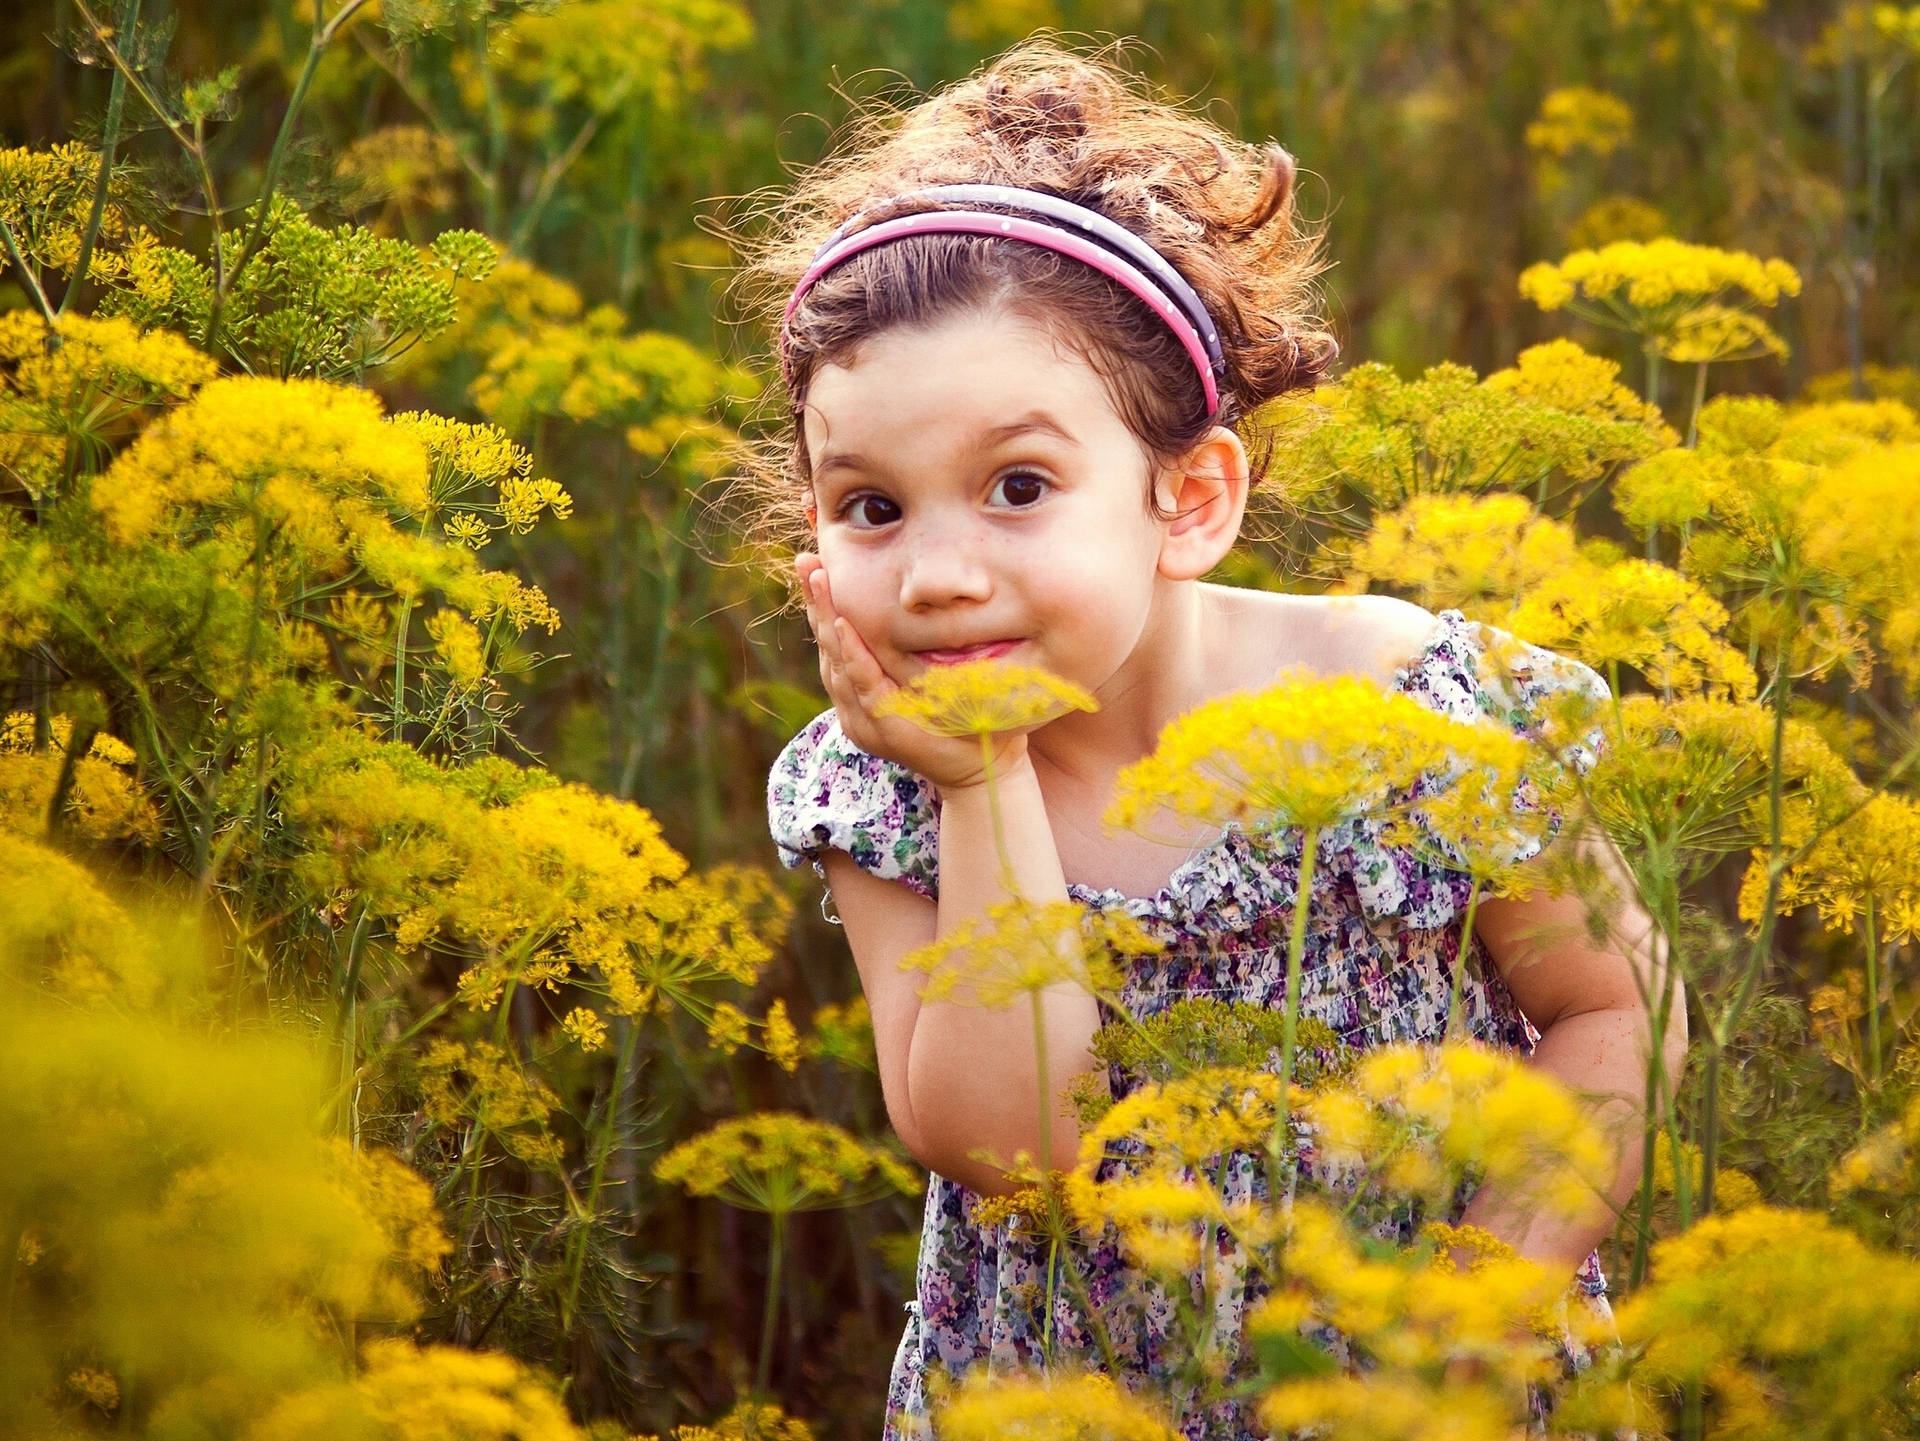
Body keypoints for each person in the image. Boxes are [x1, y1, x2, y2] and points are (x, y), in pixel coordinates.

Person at [753, 42, 1679, 1440]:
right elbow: (1017, 1149)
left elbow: (1625, 1012)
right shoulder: (883, 783)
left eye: (1016, 486)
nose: (937, 574)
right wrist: (982, 778)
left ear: (1187, 499)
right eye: (871, 507)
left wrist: (1482, 1306)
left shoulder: (1416, 712)